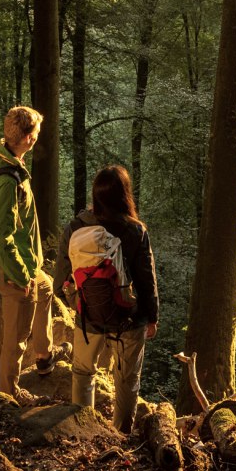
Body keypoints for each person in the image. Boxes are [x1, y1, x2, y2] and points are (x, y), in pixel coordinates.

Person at [56, 164, 159, 434]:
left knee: (82, 373)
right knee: (126, 380)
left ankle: (83, 431)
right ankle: (121, 435)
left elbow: (60, 281)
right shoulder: (136, 231)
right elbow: (146, 280)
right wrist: (152, 317)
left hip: (88, 315)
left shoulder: (75, 227)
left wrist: (79, 303)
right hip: (129, 318)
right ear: (126, 195)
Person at [0, 105, 66, 401]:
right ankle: (8, 395)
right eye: (37, 133)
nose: (38, 138)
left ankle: (44, 356)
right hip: (14, 271)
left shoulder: (8, 160)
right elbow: (1, 236)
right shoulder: (6, 180)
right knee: (16, 339)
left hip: (29, 266)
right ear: (28, 137)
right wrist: (20, 275)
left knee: (45, 289)